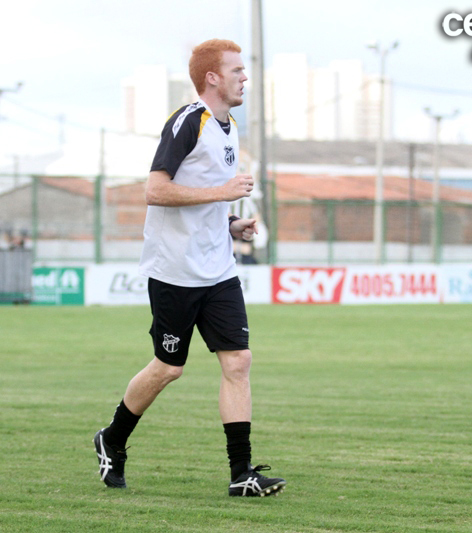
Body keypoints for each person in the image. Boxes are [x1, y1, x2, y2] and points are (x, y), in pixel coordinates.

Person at [94, 39, 286, 497]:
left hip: (217, 269)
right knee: (168, 368)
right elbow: (156, 191)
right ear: (212, 78)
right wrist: (223, 194)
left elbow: (201, 196)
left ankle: (242, 474)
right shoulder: (187, 122)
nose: (245, 77)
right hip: (175, 271)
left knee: (238, 361)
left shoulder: (230, 128)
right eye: (236, 70)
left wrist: (231, 222)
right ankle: (112, 438)